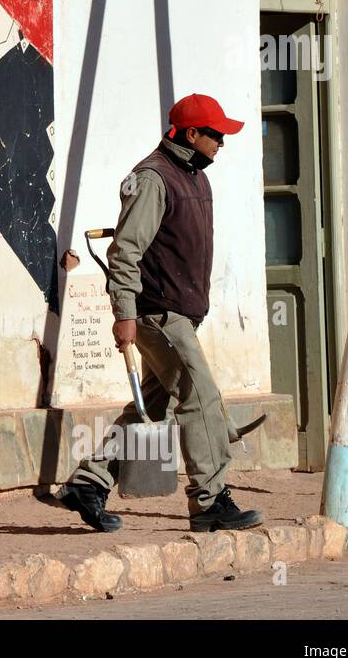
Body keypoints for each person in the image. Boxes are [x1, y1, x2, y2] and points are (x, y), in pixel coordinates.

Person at [56, 94, 265, 533]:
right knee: (199, 396)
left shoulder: (194, 177)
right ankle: (209, 502)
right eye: (216, 134)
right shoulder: (153, 178)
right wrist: (124, 312)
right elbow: (125, 251)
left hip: (180, 315)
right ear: (192, 134)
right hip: (157, 313)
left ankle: (89, 483)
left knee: (154, 403)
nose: (222, 143)